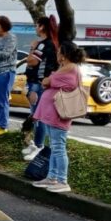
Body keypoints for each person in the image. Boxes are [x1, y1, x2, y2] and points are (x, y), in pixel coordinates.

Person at [31, 41, 86, 194]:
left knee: (58, 147)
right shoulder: (66, 68)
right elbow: (47, 83)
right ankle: (52, 177)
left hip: (59, 114)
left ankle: (62, 180)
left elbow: (47, 81)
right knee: (55, 147)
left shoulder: (70, 69)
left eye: (59, 52)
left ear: (64, 55)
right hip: (53, 113)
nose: (57, 54)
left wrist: (49, 81)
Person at [22, 16, 61, 161]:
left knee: (39, 116)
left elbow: (32, 61)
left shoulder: (43, 44)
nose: (35, 28)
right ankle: (37, 144)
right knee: (36, 115)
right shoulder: (51, 43)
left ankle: (39, 146)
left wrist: (32, 48)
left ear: (42, 27)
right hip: (38, 83)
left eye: (36, 25)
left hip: (38, 84)